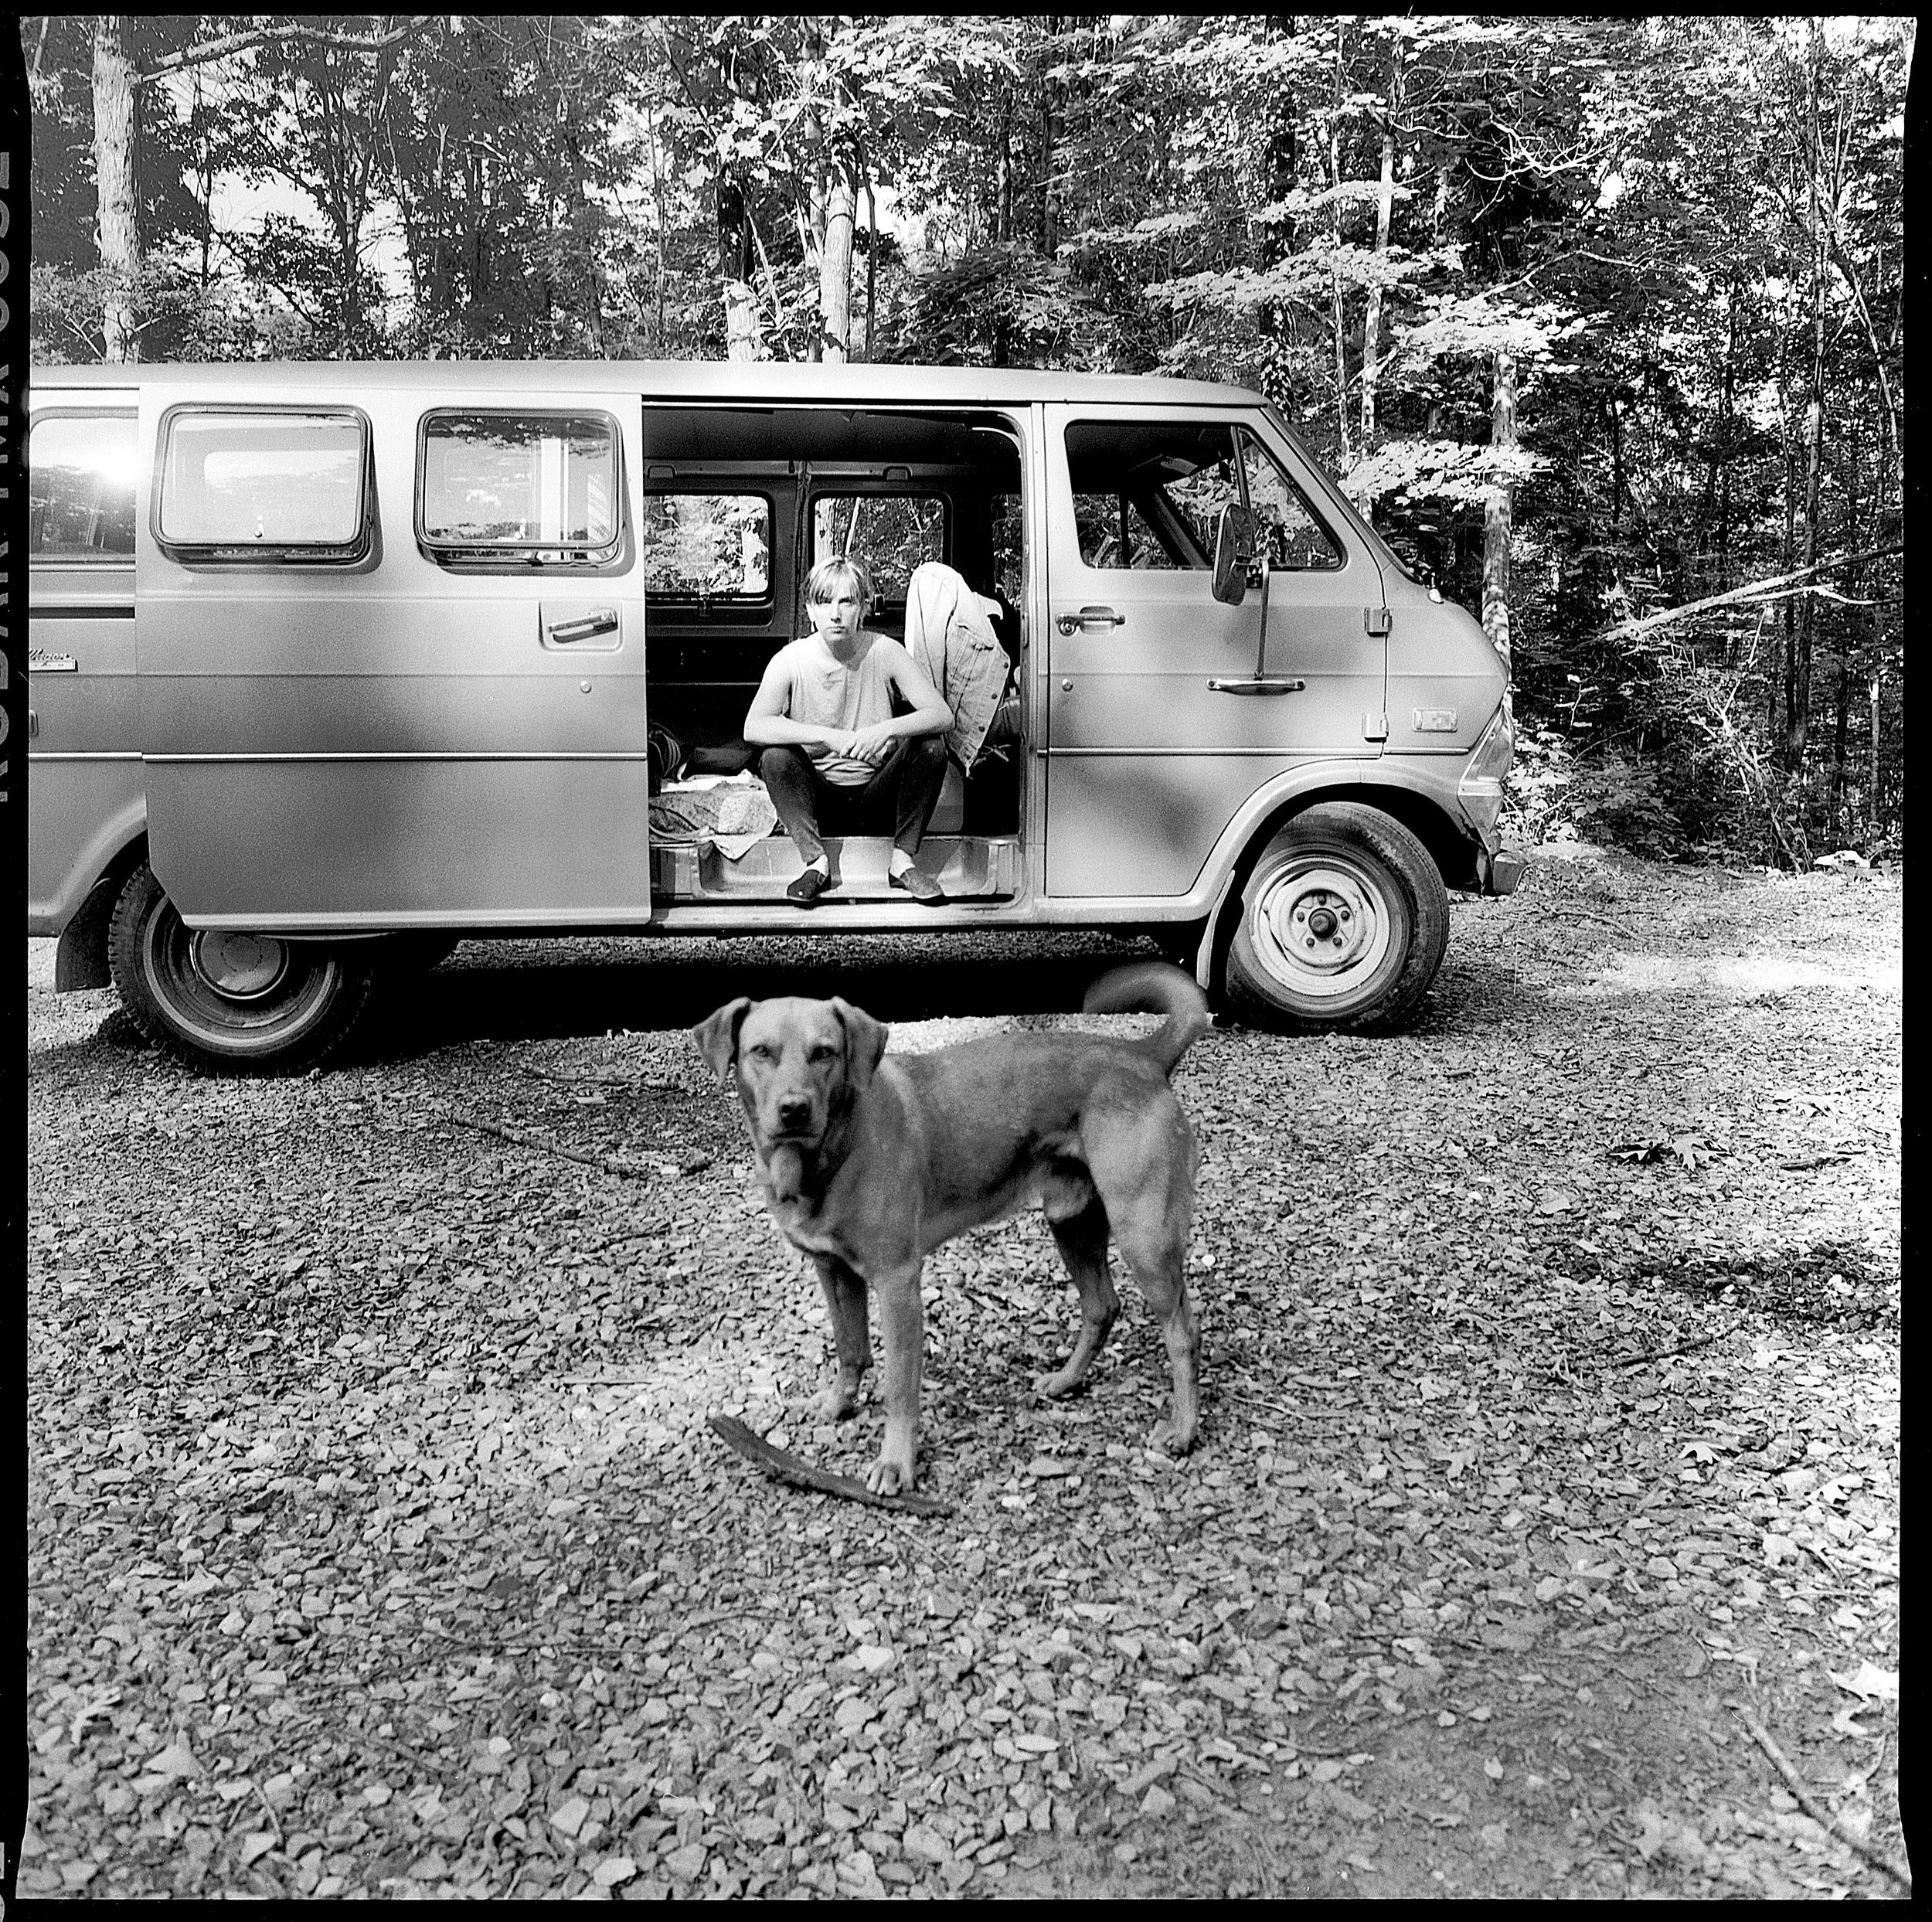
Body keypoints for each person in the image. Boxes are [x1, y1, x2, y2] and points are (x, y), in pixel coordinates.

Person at [743, 556, 954, 905]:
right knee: (774, 756)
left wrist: (884, 731)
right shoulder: (789, 659)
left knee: (931, 747)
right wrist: (824, 736)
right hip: (819, 801)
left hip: (879, 795)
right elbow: (754, 726)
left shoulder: (885, 651)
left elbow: (941, 715)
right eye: (825, 602)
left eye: (847, 601)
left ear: (863, 608)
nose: (836, 613)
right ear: (811, 610)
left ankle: (902, 863)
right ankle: (815, 864)